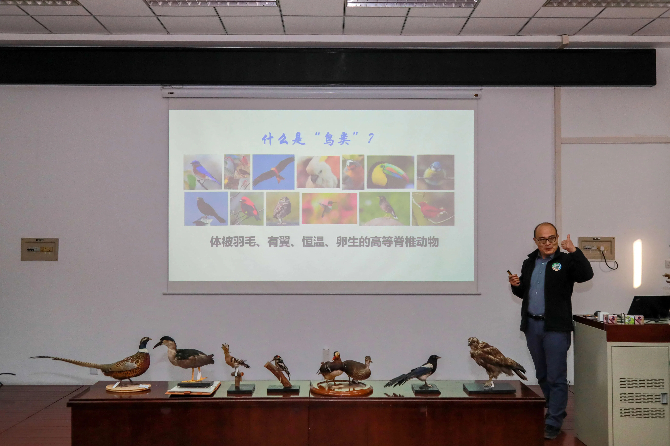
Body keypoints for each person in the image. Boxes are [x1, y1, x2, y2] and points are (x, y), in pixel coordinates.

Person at [509, 222, 593, 440]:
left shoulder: (566, 261)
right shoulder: (529, 262)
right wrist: (516, 285)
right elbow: (525, 293)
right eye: (543, 240)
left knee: (556, 376)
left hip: (555, 327)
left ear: (557, 238)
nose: (548, 243)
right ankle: (555, 409)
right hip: (532, 325)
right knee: (542, 374)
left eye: (552, 238)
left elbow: (586, 275)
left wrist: (574, 251)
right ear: (535, 241)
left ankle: (554, 419)